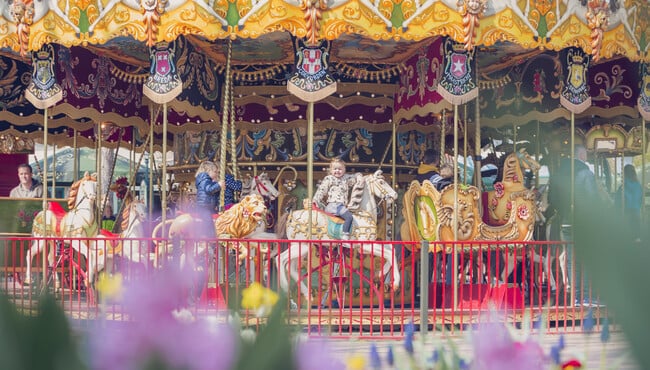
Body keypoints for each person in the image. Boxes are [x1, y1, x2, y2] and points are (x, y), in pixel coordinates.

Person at [548, 144, 602, 307]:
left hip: (565, 221)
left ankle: (576, 297)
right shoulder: (586, 173)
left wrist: (564, 210)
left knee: (571, 259)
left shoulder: (557, 175)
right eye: (585, 154)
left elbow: (552, 199)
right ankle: (586, 296)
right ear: (582, 155)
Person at [313, 158, 363, 240]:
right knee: (349, 217)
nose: (337, 171)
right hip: (334, 205)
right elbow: (322, 190)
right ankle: (345, 234)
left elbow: (354, 176)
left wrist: (359, 176)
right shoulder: (329, 178)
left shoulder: (346, 179)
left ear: (344, 170)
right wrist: (315, 200)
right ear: (331, 170)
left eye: (340, 169)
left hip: (340, 205)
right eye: (335, 169)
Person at [615, 164, 642, 242]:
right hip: (636, 213)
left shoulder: (623, 187)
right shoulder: (638, 186)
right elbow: (640, 200)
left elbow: (617, 201)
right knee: (636, 235)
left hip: (625, 213)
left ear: (625, 174)